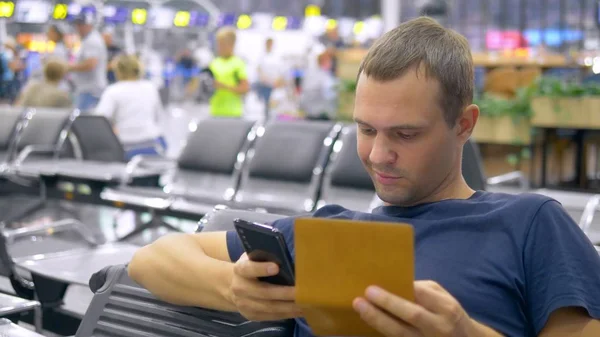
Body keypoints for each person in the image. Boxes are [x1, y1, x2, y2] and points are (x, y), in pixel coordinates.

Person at [128, 17, 600, 337]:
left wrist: (467, 332)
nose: (378, 154)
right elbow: (151, 259)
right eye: (367, 129)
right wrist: (231, 287)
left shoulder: (529, 223)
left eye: (406, 134)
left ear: (465, 125)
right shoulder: (328, 231)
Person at [95, 54, 166, 160]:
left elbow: (100, 120)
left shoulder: (113, 91)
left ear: (117, 71)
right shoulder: (150, 87)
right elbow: (158, 118)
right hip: (152, 145)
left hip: (126, 146)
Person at [69, 11, 108, 111]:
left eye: (81, 25)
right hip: (87, 89)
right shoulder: (88, 39)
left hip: (90, 90)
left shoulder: (92, 41)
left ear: (88, 25)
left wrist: (67, 67)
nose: (78, 28)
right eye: (77, 25)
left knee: (83, 121)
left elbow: (91, 64)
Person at [208, 27, 249, 118]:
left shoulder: (238, 64)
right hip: (215, 112)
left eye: (222, 44)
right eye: (219, 44)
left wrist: (224, 86)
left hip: (233, 113)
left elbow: (245, 88)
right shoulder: (214, 63)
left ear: (232, 44)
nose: (220, 47)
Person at [255, 37, 286, 119]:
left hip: (275, 85)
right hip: (265, 85)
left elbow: (281, 71)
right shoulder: (262, 56)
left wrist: (278, 82)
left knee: (275, 106)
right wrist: (266, 80)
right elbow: (259, 70)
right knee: (265, 106)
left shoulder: (276, 57)